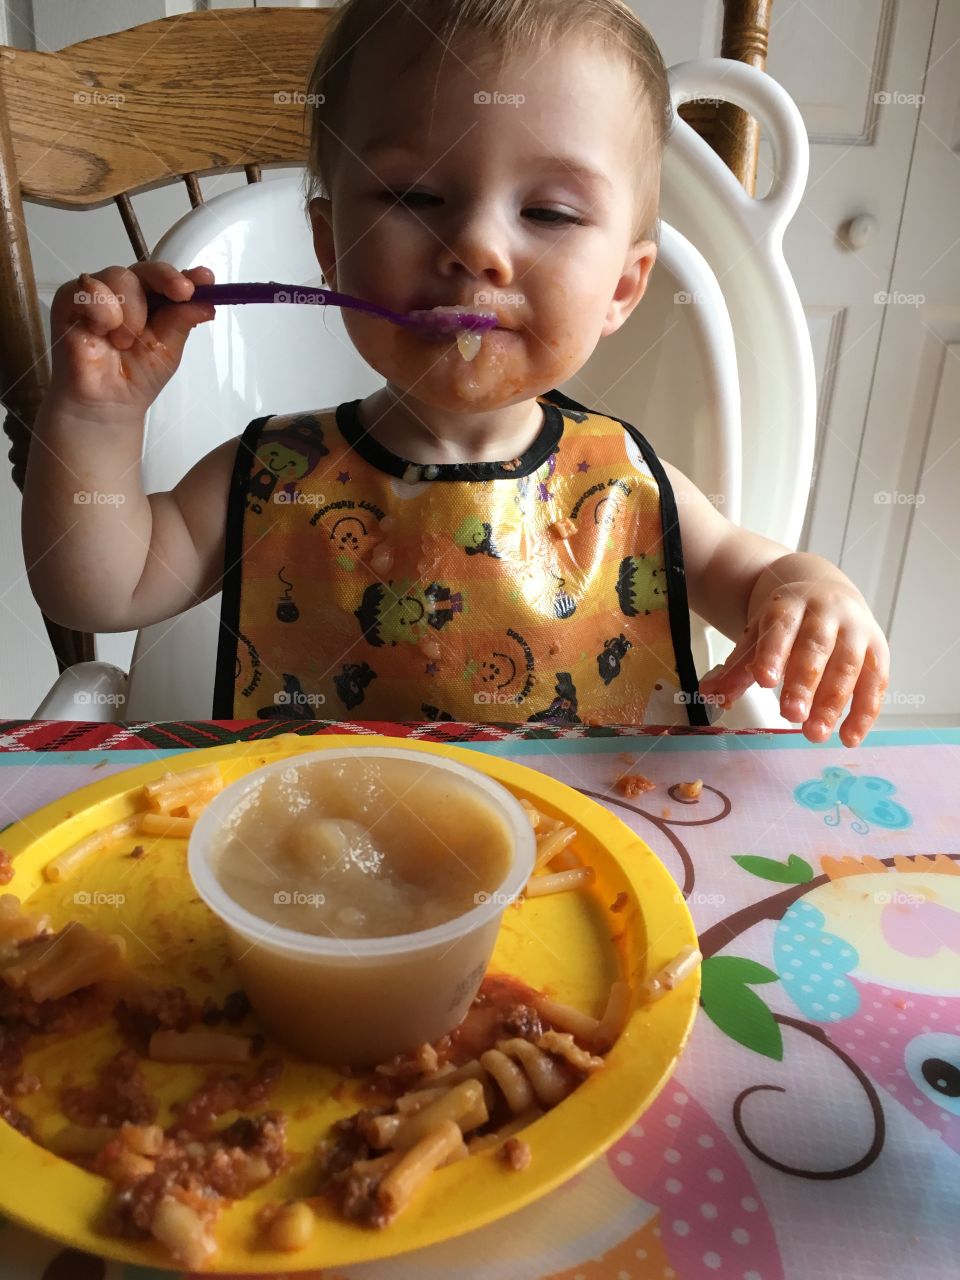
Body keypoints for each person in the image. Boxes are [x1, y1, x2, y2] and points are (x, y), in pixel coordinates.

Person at [22, 0, 888, 743]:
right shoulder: (273, 478)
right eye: (413, 197)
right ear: (330, 245)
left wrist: (812, 595)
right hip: (327, 893)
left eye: (547, 210)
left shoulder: (626, 488)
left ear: (623, 288)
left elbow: (756, 574)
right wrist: (96, 419)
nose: (475, 246)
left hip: (596, 888)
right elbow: (99, 586)